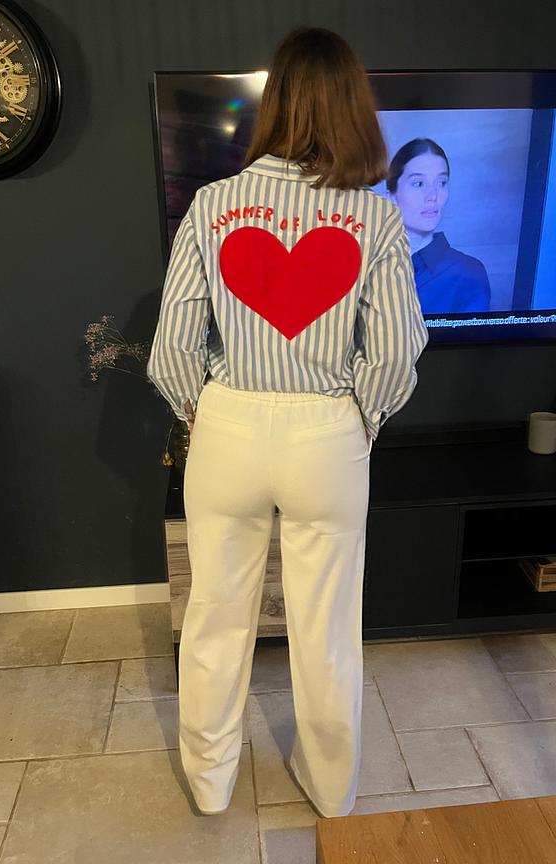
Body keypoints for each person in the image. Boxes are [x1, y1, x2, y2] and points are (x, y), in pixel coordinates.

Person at [147, 27, 428, 819]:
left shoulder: (212, 205)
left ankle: (210, 783)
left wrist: (204, 412)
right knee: (327, 628)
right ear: (352, 109)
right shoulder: (377, 219)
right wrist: (363, 417)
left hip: (228, 428)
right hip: (327, 436)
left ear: (276, 105)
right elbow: (397, 351)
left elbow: (172, 350)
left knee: (214, 617)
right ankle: (332, 788)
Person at [387, 138, 491, 313]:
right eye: (418, 183)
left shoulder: (468, 273)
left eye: (441, 183)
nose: (432, 196)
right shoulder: (370, 266)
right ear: (391, 198)